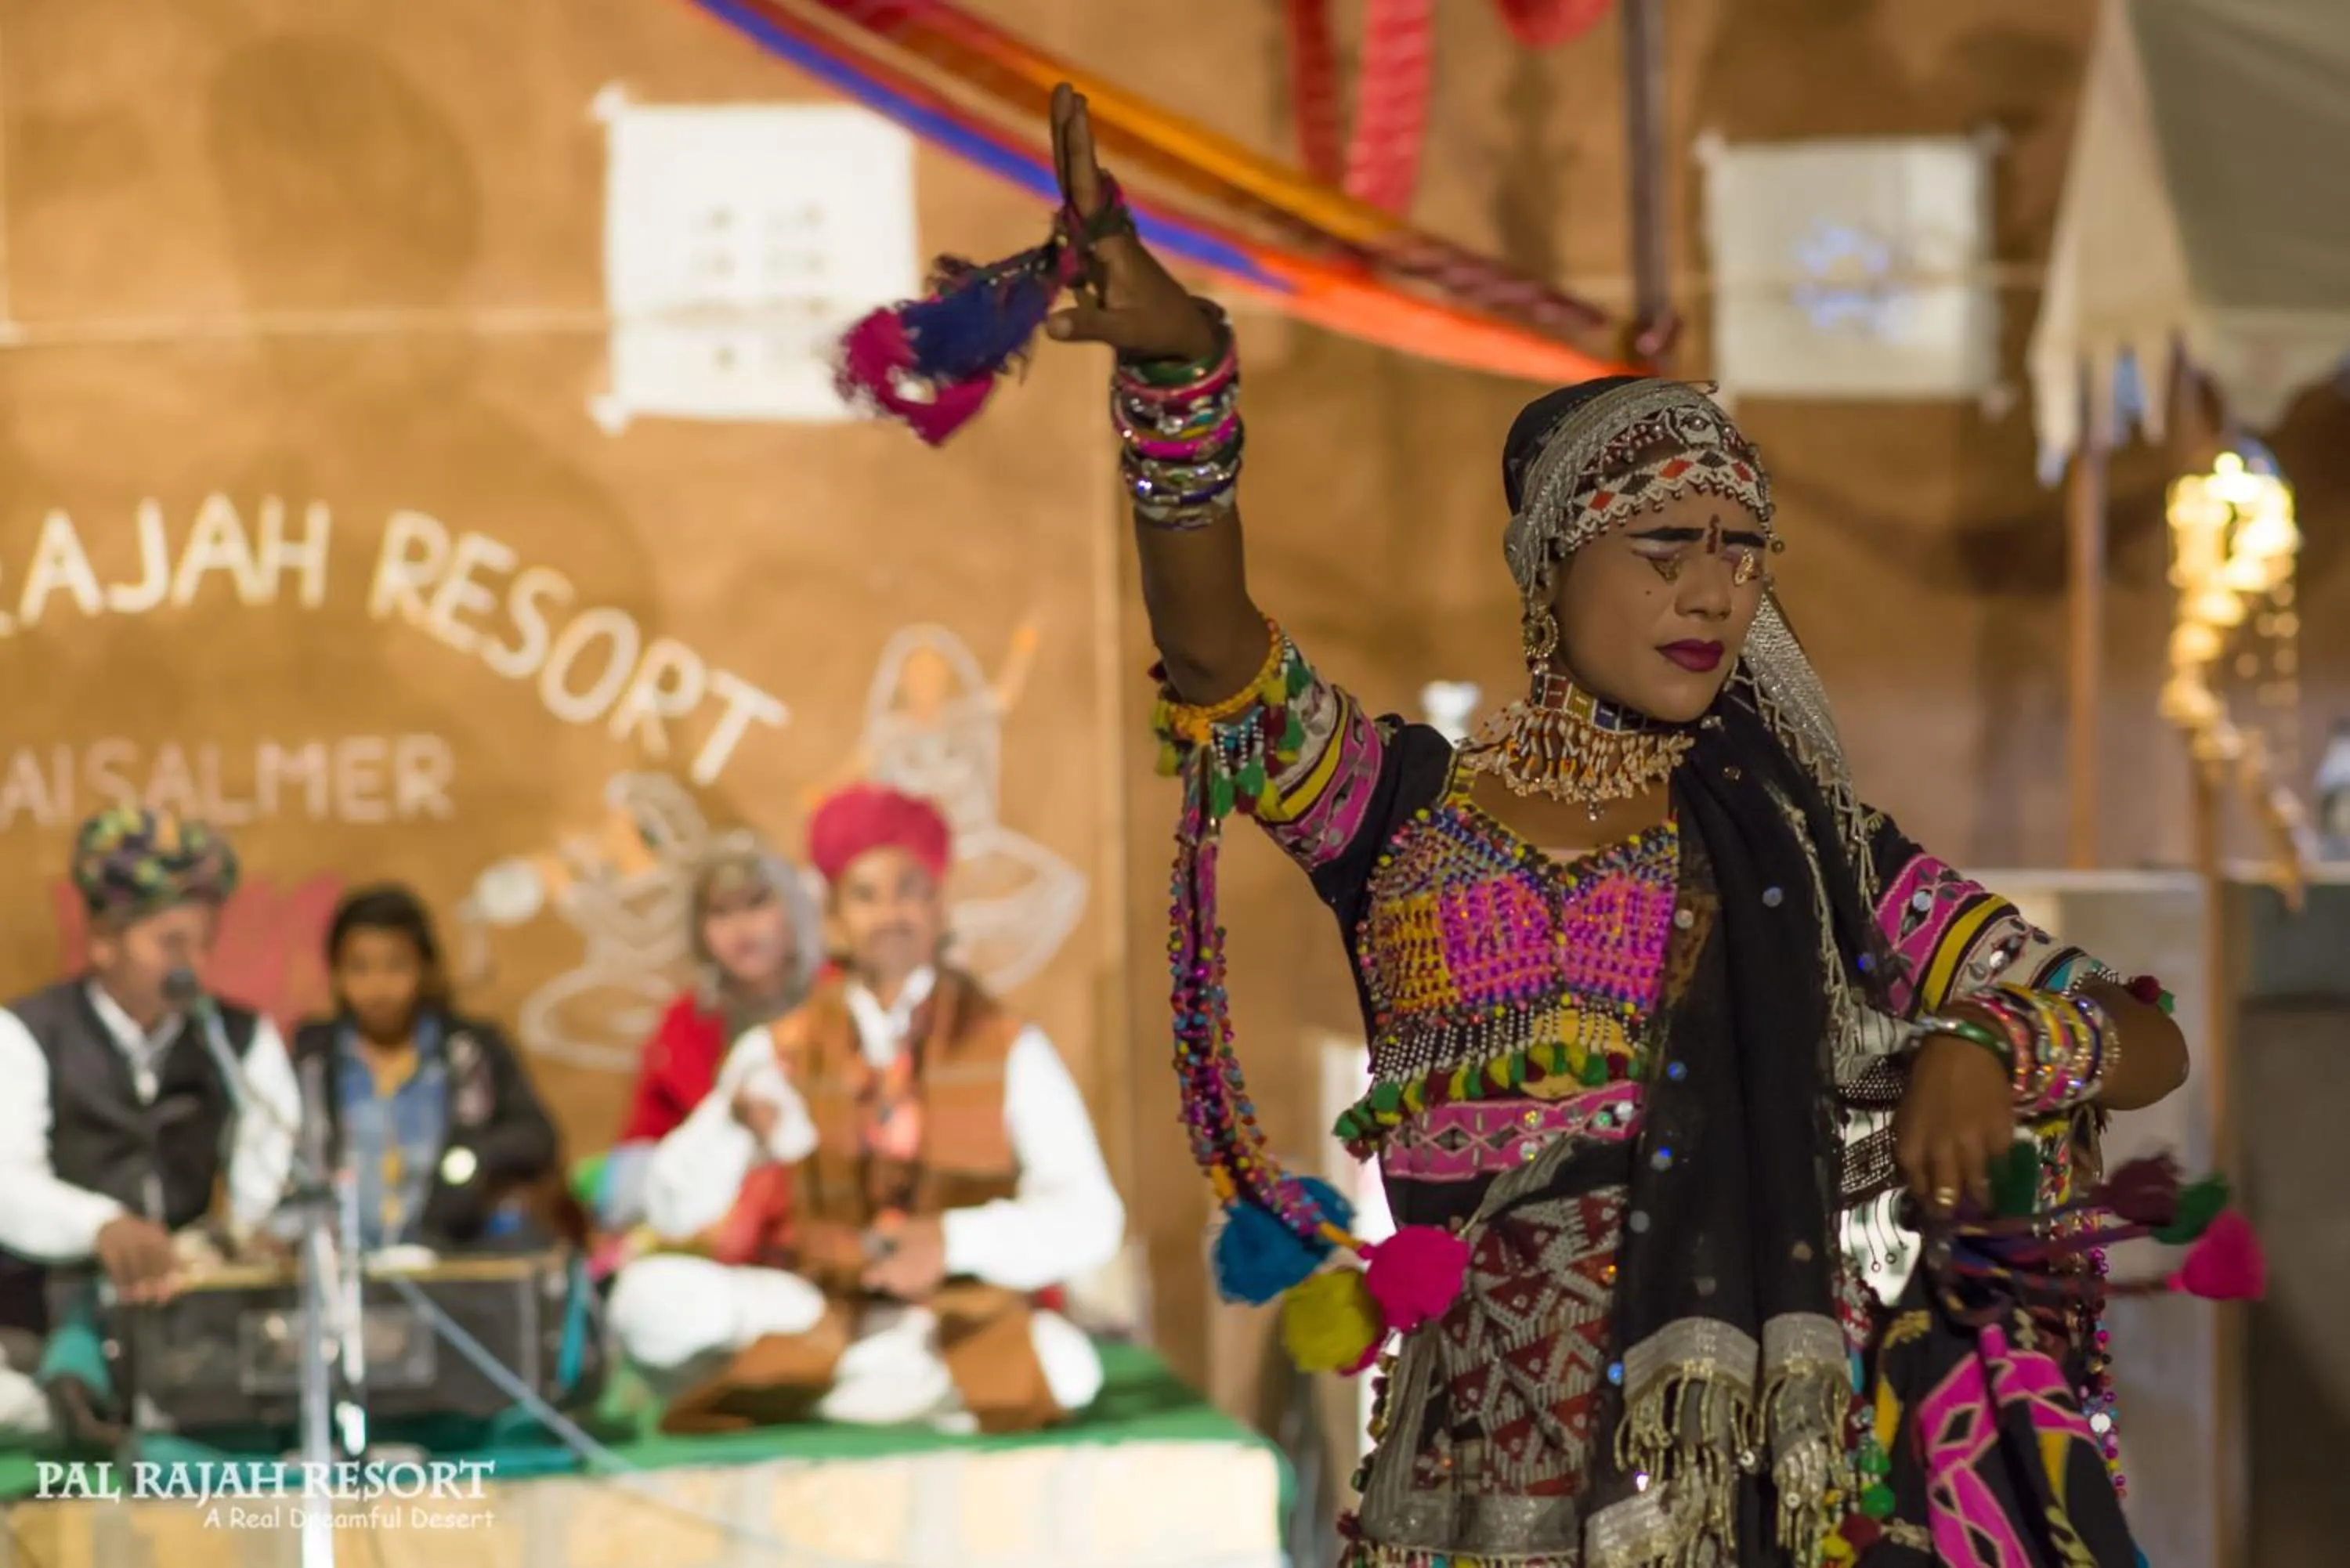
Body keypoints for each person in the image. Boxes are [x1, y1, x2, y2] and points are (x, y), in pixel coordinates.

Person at [936, 86, 2198, 1567]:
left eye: (1740, 553)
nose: (1712, 592)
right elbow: (1217, 662)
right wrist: (1180, 371)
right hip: (1473, 1492)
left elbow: (2138, 1030)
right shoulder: (1398, 813)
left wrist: (1991, 1040)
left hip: (1755, 1491)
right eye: (1664, 546)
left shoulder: (1810, 843)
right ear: (1553, 570)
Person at [606, 783, 1123, 1435]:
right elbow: (671, 1206)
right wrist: (732, 1127)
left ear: (940, 905)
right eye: (867, 895)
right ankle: (885, 1393)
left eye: (911, 890)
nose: (891, 914)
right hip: (814, 1305)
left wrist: (954, 1242)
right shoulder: (780, 1049)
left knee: (1069, 1366)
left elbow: (1093, 1218)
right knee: (644, 1304)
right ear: (833, 917)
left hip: (949, 1316)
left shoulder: (1010, 1047)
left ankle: (821, 1391)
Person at [0, 807, 301, 1446]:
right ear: (105, 940)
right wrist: (100, 1225)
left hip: (192, 1332)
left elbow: (269, 1173)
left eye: (202, 941)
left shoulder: (236, 1039)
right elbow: (7, 1183)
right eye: (170, 944)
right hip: (44, 1322)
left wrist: (251, 1238)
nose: (190, 963)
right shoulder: (27, 1033)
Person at [291, 886, 560, 1255]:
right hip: (340, 1262)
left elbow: (535, 1136)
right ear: (336, 975)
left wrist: (473, 1159)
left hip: (449, 1256)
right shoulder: (312, 1059)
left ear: (424, 969)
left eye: (396, 966)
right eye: (359, 968)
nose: (378, 986)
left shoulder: (468, 1052)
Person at [587, 833, 822, 1233]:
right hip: (717, 1224)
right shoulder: (683, 1026)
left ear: (794, 910)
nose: (741, 927)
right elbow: (644, 1154)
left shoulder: (839, 1001)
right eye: (721, 912)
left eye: (757, 903)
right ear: (700, 930)